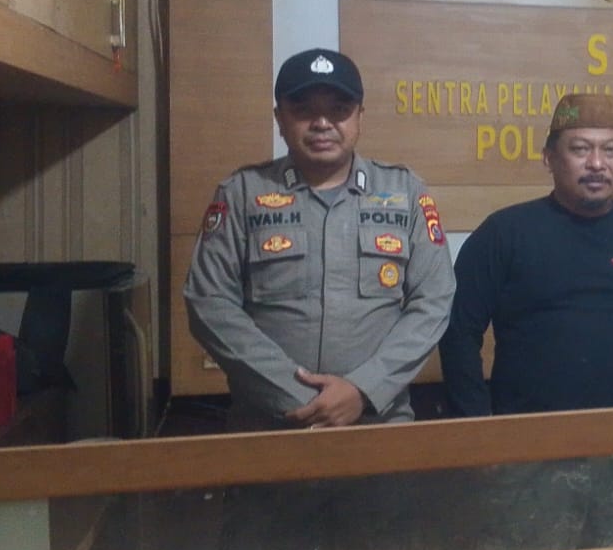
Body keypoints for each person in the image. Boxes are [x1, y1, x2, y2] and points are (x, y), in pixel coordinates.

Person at [439, 92, 613, 550]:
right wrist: (479, 432)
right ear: (549, 158)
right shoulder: (504, 234)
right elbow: (458, 333)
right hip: (531, 457)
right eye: (580, 149)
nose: (597, 163)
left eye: (611, 149)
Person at [185, 47, 454, 431]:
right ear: (280, 118)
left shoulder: (405, 192)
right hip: (271, 425)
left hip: (378, 422)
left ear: (360, 117)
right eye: (304, 110)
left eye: (339, 110)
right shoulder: (242, 193)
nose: (322, 123)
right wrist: (300, 398)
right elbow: (209, 304)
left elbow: (434, 300)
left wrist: (363, 390)